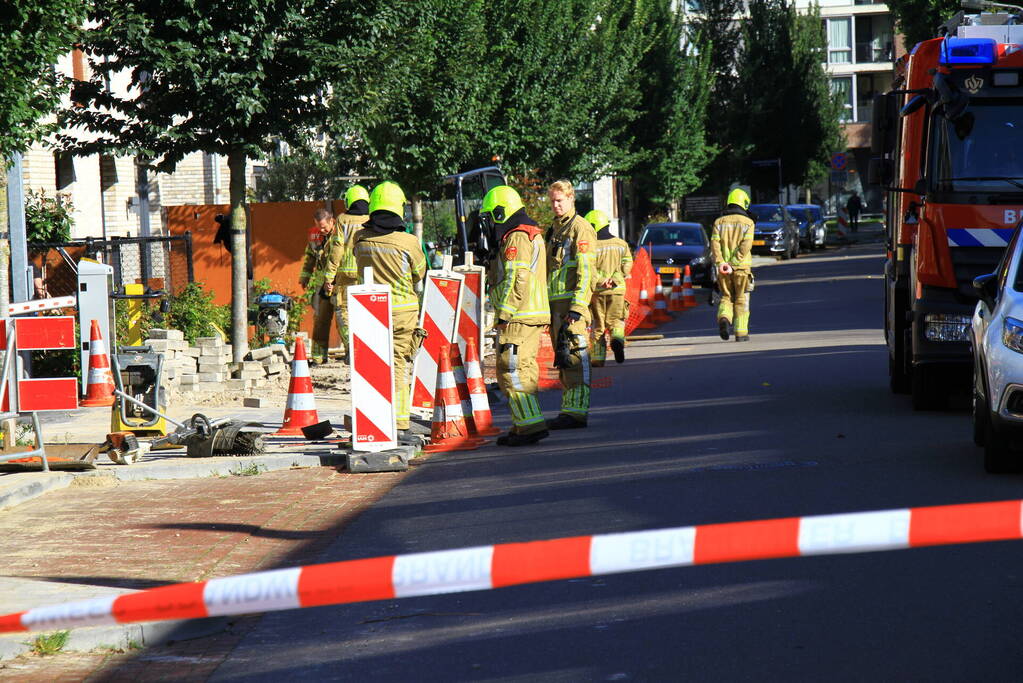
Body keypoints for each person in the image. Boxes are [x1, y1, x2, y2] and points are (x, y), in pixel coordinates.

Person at [352, 181, 426, 433]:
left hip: (369, 310)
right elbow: (419, 274)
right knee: (398, 363)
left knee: (372, 366)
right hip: (403, 312)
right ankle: (399, 421)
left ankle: (374, 419)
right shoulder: (409, 242)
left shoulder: (359, 238)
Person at [481, 185, 551, 447]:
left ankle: (529, 426)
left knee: (511, 371)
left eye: (490, 217)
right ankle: (523, 425)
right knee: (524, 370)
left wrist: (505, 312)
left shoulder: (517, 236)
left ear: (500, 212)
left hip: (518, 316)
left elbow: (517, 277)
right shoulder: (525, 233)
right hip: (529, 314)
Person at [545, 180, 598, 429]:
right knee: (564, 360)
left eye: (560, 200)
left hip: (571, 306)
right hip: (555, 307)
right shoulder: (554, 229)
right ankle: (568, 410)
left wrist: (578, 307)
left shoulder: (581, 228)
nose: (556, 205)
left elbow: (587, 272)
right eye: (553, 201)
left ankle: (576, 412)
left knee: (576, 357)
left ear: (571, 199)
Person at [323, 185, 370, 362]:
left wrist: (329, 276)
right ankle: (367, 347)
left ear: (348, 201)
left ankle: (352, 347)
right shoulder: (372, 218)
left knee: (343, 312)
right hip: (367, 274)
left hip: (345, 276)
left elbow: (337, 248)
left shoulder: (342, 219)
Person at [585, 209, 632, 365]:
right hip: (617, 290)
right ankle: (617, 338)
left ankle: (597, 359)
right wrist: (615, 279)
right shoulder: (621, 244)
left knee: (598, 325)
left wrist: (601, 280)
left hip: (597, 291)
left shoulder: (591, 246)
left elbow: (588, 268)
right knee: (616, 320)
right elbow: (627, 265)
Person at [711, 188, 755, 342]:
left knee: (726, 297)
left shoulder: (718, 222)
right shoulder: (748, 223)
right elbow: (746, 245)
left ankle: (724, 318)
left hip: (723, 269)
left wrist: (722, 262)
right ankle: (741, 333)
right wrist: (734, 262)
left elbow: (714, 244)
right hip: (741, 268)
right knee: (741, 298)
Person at [298, 208, 337, 364]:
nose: (321, 230)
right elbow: (310, 257)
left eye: (323, 227)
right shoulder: (316, 236)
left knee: (344, 322)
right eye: (318, 226)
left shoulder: (341, 235)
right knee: (320, 320)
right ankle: (318, 357)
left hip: (339, 284)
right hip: (322, 285)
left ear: (331, 221)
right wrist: (305, 276)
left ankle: (352, 356)